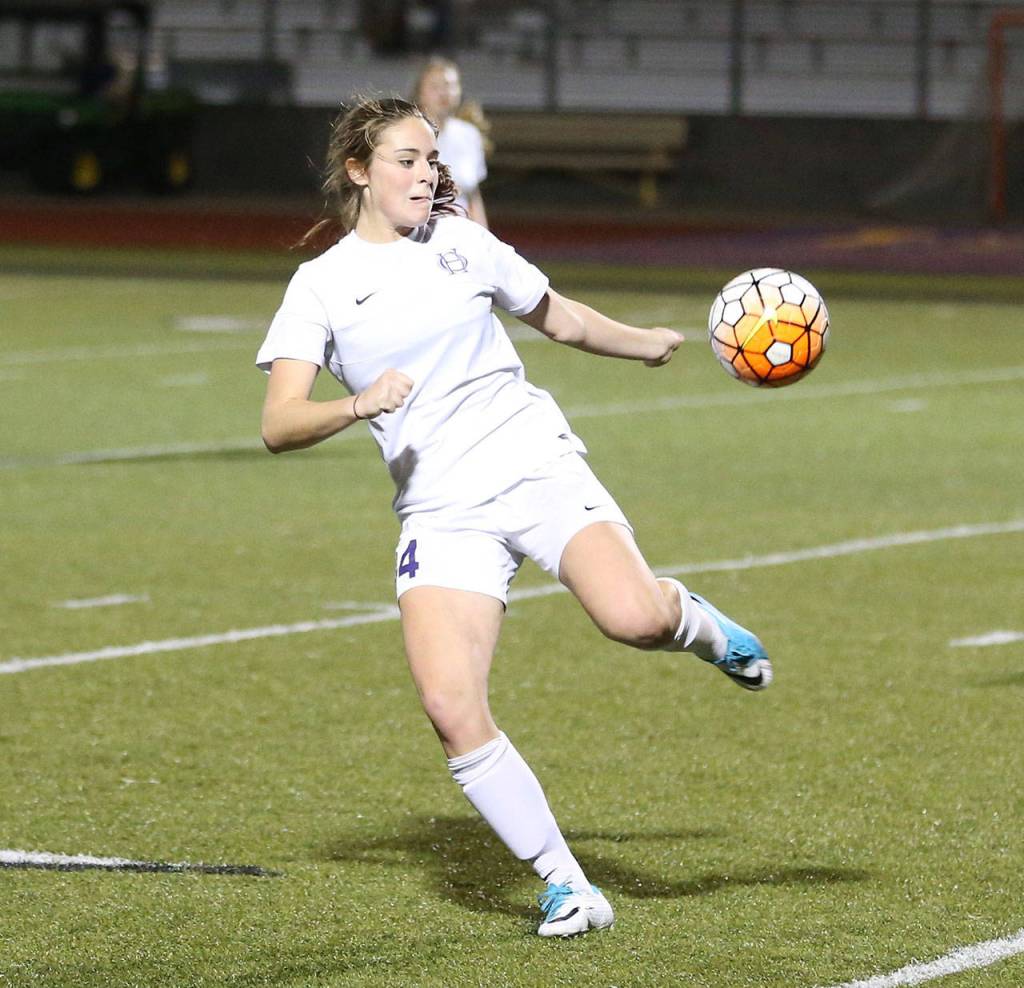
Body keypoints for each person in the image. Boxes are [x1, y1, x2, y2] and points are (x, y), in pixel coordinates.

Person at [257, 96, 773, 938]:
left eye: (432, 160)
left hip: (532, 462)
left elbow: (558, 317)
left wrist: (641, 340)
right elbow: (279, 423)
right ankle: (567, 885)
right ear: (358, 170)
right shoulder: (319, 287)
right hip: (440, 508)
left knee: (634, 619)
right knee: (450, 704)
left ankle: (697, 623)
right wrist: (358, 405)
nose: (427, 174)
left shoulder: (463, 244)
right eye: (406, 160)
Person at [412, 57, 489, 227]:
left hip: (461, 232)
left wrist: (484, 238)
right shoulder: (409, 135)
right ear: (420, 93)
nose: (443, 92)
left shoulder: (470, 135)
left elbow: (473, 195)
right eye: (435, 87)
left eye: (449, 85)